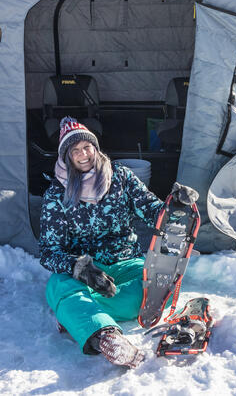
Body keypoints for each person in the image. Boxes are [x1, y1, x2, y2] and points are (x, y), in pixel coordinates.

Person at [39, 116, 197, 368]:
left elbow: (152, 210)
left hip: (126, 261)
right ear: (66, 156)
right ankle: (106, 336)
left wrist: (175, 206)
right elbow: (49, 251)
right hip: (84, 271)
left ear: (96, 148)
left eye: (87, 147)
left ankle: (76, 314)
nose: (83, 154)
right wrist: (79, 268)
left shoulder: (121, 177)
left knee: (158, 289)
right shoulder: (56, 195)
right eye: (75, 150)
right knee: (57, 285)